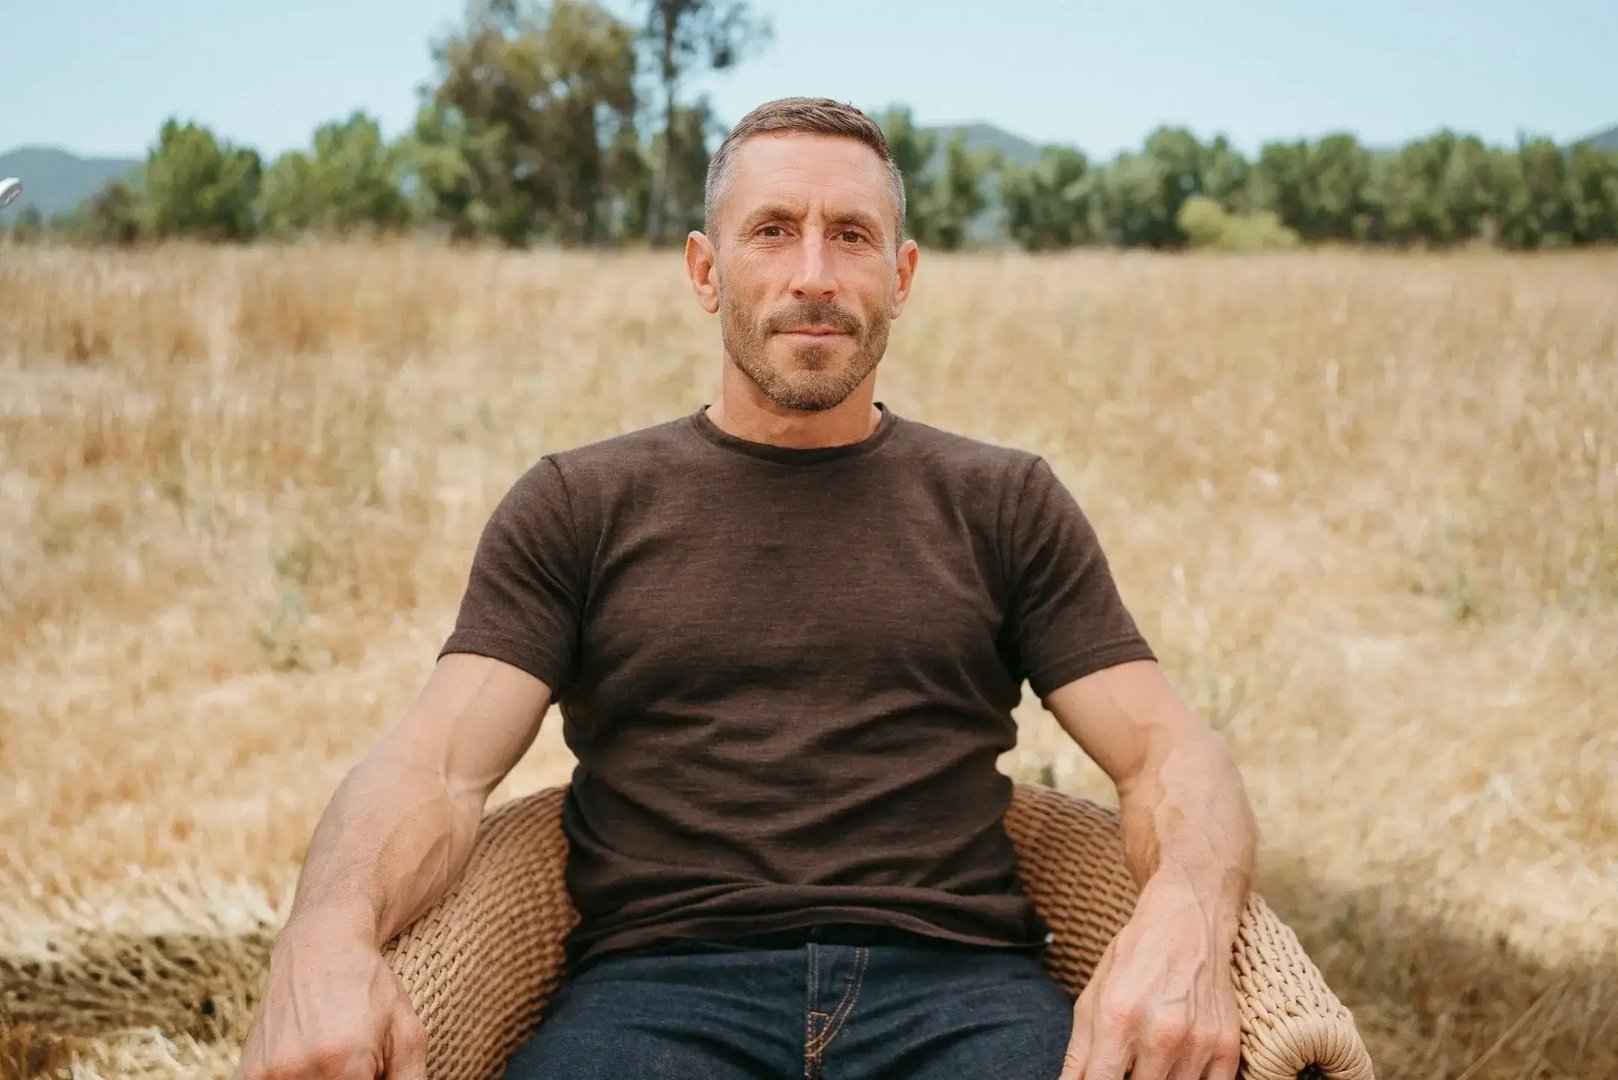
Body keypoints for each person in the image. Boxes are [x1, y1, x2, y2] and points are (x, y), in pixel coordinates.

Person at [235, 96, 1257, 1080]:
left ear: (901, 275)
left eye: (850, 236)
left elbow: (1166, 749)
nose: (813, 273)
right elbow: (436, 767)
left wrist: (1190, 916)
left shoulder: (1001, 501)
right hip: (656, 994)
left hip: (961, 992)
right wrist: (327, 930)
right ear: (704, 268)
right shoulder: (580, 504)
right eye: (772, 230)